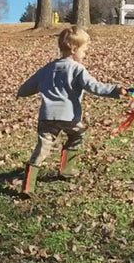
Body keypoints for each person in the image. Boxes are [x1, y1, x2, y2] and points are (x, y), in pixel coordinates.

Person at [16, 26, 127, 196]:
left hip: (47, 117)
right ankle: (66, 169)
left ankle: (28, 186)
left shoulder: (47, 68)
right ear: (74, 49)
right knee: (77, 134)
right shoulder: (77, 69)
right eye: (85, 50)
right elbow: (94, 86)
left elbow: (29, 86)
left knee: (42, 148)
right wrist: (115, 90)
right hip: (69, 117)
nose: (86, 53)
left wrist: (20, 93)